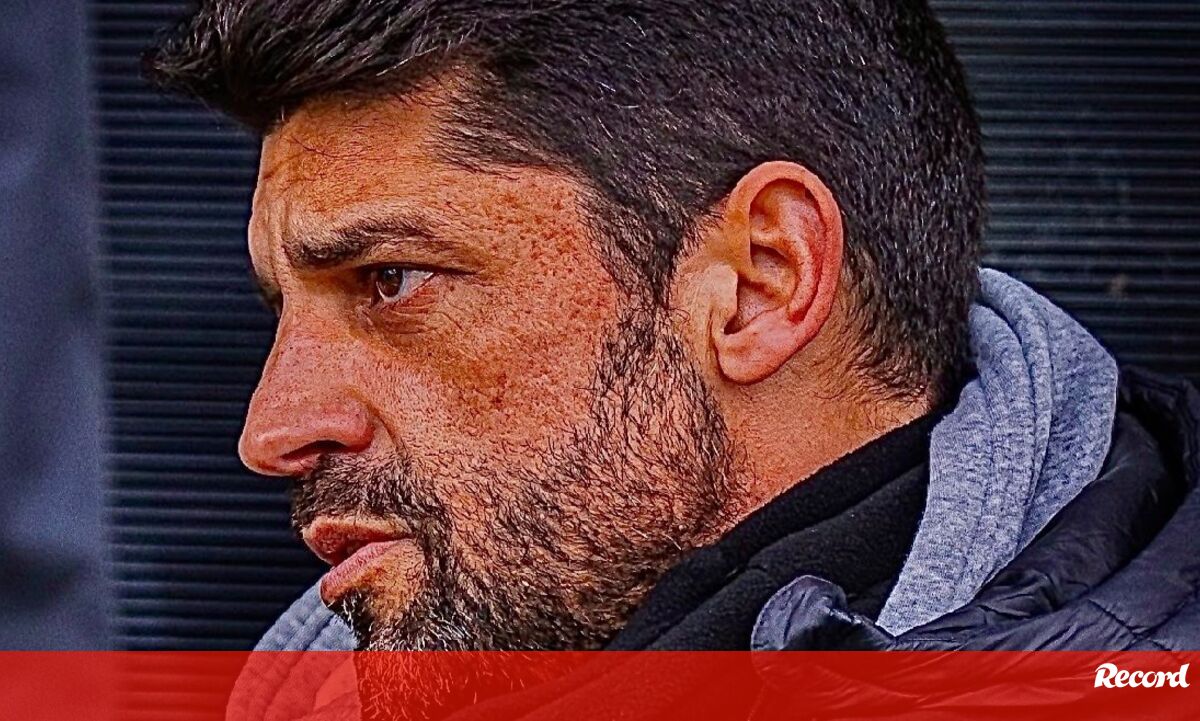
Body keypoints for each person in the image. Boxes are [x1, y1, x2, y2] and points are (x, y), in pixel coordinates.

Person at [145, 0, 1200, 717]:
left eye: (391, 280)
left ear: (760, 283)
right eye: (284, 311)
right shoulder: (316, 686)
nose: (270, 431)